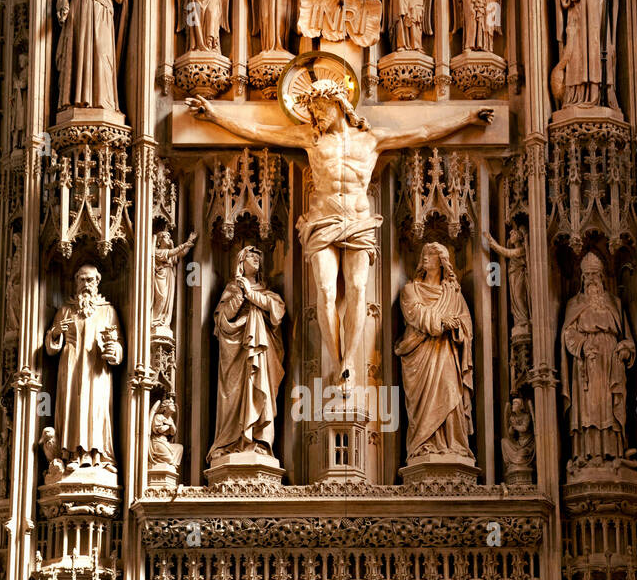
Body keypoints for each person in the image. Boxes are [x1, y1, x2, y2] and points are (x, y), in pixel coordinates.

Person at [187, 81, 492, 386]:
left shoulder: (371, 139)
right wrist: (215, 115)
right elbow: (258, 131)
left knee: (358, 289)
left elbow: (424, 132)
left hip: (358, 222)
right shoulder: (311, 138)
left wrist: (467, 118)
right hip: (322, 220)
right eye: (312, 111)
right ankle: (336, 362)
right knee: (327, 291)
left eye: (319, 109)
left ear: (338, 105)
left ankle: (348, 362)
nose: (316, 116)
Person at [396, 242, 476, 463]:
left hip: (446, 353)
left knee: (450, 391)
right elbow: (415, 314)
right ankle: (423, 445)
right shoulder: (410, 290)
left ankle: (454, 446)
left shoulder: (453, 293)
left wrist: (457, 327)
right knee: (422, 406)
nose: (426, 258)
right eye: (424, 254)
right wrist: (441, 321)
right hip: (420, 355)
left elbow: (466, 322)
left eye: (431, 254)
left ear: (442, 261)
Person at [44, 264, 123, 474]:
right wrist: (55, 334)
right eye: (82, 280)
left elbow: (119, 347)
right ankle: (70, 454)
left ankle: (97, 455)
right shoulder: (65, 310)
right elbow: (51, 349)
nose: (86, 285)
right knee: (71, 408)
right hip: (69, 369)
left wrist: (114, 349)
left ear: (97, 282)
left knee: (96, 410)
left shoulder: (108, 311)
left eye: (90, 280)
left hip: (97, 370)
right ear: (76, 282)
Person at [209, 245, 285, 462]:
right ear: (241, 262)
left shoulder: (266, 292)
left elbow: (277, 311)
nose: (256, 260)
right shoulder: (232, 289)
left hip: (262, 352)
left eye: (258, 257)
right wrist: (241, 295)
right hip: (236, 353)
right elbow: (222, 322)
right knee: (234, 395)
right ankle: (230, 443)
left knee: (261, 389)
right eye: (251, 256)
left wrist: (251, 294)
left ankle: (259, 441)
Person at [560, 251, 635, 466]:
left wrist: (625, 349)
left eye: (596, 274)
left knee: (610, 408)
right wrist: (583, 345)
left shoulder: (615, 303)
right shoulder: (574, 304)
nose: (592, 279)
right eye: (588, 275)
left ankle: (614, 454)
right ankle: (587, 455)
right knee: (589, 410)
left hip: (611, 364)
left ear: (602, 277)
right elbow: (568, 334)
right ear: (582, 278)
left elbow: (628, 339)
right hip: (587, 364)